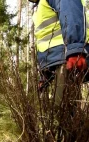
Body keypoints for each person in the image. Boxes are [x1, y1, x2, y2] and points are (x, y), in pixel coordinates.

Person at [30, 0, 89, 140]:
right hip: (58, 61)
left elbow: (71, 12)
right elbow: (46, 42)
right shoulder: (41, 6)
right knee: (65, 112)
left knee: (63, 112)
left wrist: (75, 50)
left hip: (67, 57)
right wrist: (45, 76)